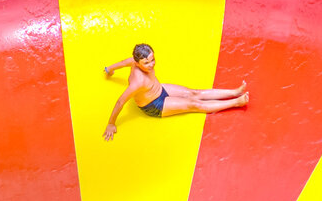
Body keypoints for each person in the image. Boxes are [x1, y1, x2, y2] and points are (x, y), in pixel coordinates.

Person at [102, 43, 248, 141]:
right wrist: (111, 123)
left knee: (195, 93)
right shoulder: (138, 82)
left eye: (153, 60)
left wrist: (110, 69)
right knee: (194, 104)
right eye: (146, 63)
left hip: (159, 89)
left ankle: (234, 92)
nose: (151, 65)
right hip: (154, 104)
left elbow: (121, 63)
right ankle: (236, 102)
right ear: (137, 62)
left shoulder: (134, 60)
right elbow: (121, 101)